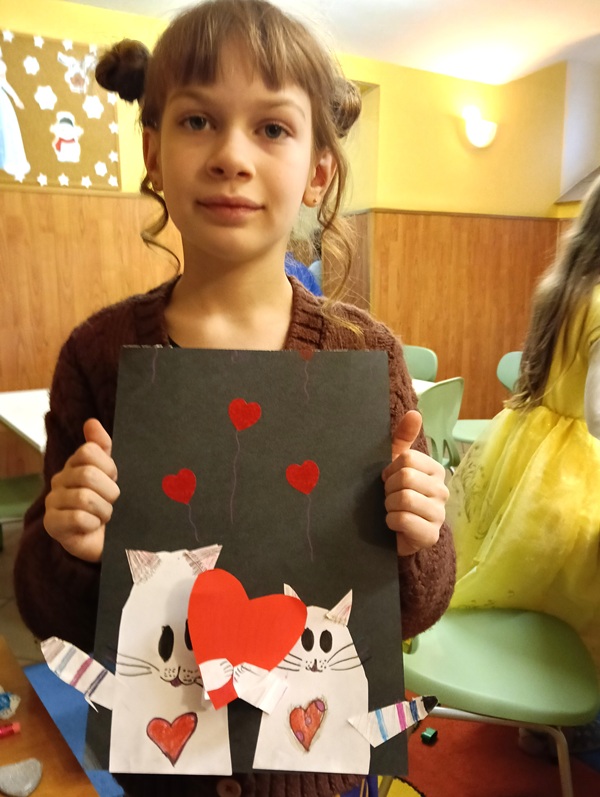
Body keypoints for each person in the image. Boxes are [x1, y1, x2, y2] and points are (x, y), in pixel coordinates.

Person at [13, 2, 455, 795]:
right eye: (197, 121)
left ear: (319, 170)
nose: (231, 156)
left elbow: (413, 608)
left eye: (273, 128)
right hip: (166, 768)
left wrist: (418, 533)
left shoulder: (366, 357)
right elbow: (55, 618)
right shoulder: (99, 357)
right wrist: (68, 542)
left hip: (318, 771)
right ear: (153, 152)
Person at [447, 175, 600, 750]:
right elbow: (598, 411)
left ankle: (525, 709)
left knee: (528, 581)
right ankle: (562, 715)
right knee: (577, 596)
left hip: (528, 440)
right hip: (571, 466)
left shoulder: (561, 288)